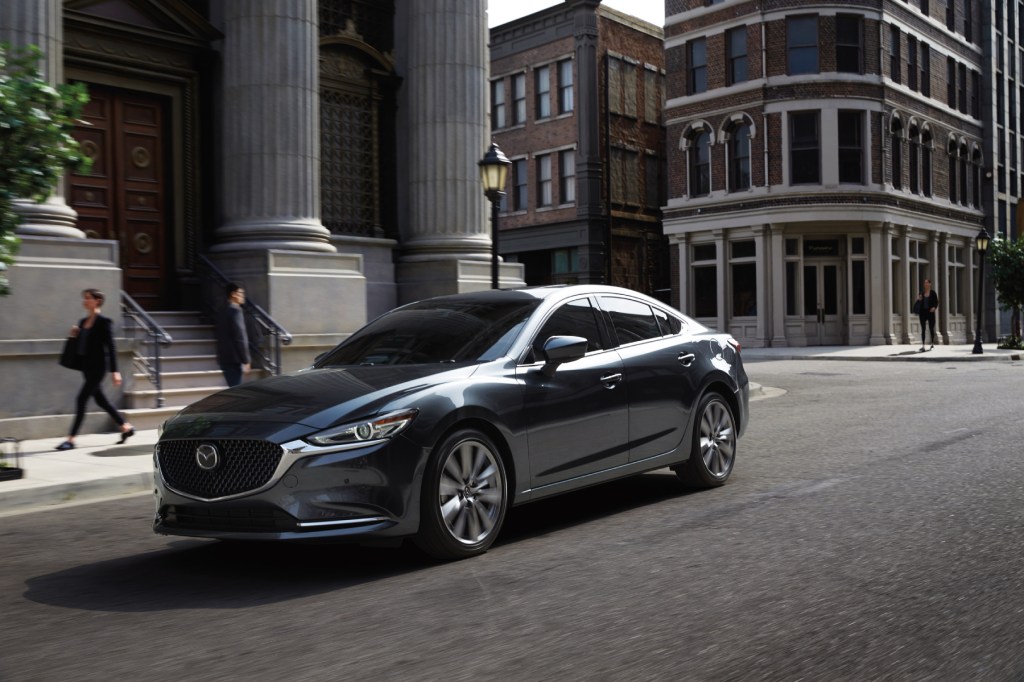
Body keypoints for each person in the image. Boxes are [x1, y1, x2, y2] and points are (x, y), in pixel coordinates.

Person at [55, 289, 134, 450]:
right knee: (100, 400)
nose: (85, 301)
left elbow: (110, 347)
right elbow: (80, 345)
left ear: (97, 301)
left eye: (88, 298)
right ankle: (126, 427)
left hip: (98, 367)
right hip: (86, 367)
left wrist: (115, 371)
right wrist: (72, 336)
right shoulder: (82, 322)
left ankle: (70, 439)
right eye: (84, 298)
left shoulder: (104, 322)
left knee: (81, 399)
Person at [216, 282, 251, 387]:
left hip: (224, 357)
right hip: (234, 359)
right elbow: (240, 337)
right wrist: (246, 360)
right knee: (236, 391)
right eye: (241, 293)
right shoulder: (236, 311)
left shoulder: (221, 310)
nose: (243, 296)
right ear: (233, 294)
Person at [916, 278, 939, 351]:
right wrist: (919, 300)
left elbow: (936, 302)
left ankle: (932, 343)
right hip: (922, 313)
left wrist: (934, 308)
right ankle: (923, 345)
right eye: (924, 283)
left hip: (930, 313)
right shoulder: (921, 293)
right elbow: (918, 303)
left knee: (931, 328)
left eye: (926, 283)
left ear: (930, 284)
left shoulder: (933, 293)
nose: (925, 284)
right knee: (923, 329)